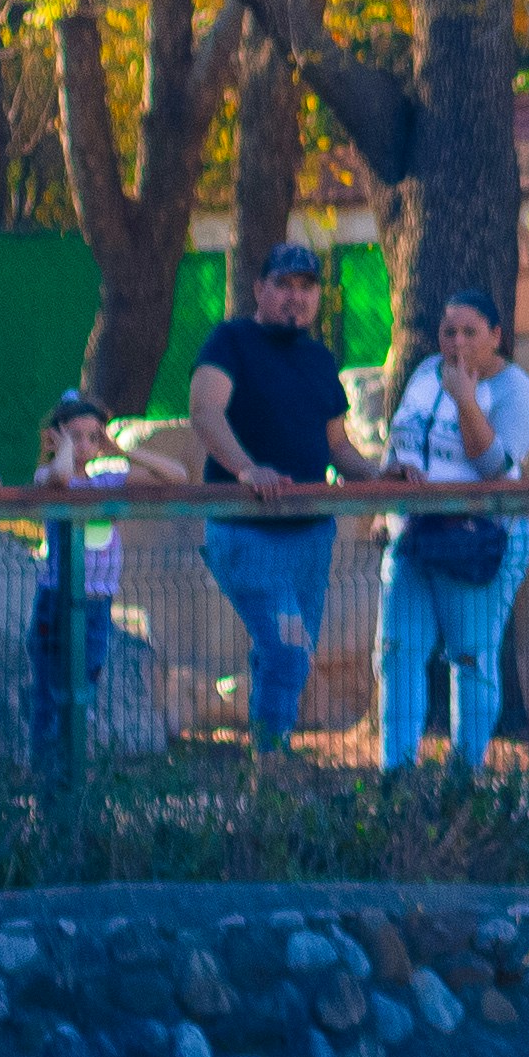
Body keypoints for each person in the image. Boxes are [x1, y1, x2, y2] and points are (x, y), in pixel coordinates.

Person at [188, 240, 354, 748]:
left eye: (307, 286)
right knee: (286, 646)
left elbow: (338, 446)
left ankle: (267, 768)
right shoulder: (230, 341)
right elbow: (205, 411)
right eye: (283, 284)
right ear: (259, 288)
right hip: (245, 528)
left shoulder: (321, 359)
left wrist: (381, 472)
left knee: (290, 651)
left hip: (310, 533)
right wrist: (246, 470)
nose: (295, 297)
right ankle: (272, 756)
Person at [373, 286, 529, 777]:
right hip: (416, 535)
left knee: (471, 657)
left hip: (478, 541)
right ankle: (396, 774)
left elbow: (494, 466)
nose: (458, 343)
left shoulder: (514, 390)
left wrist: (466, 401)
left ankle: (465, 776)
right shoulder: (425, 373)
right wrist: (393, 475)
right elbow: (400, 440)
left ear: (496, 336)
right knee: (397, 651)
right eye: (449, 332)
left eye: (470, 332)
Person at [29, 388, 134, 759]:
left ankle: (70, 767)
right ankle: (47, 776)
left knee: (84, 685)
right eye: (76, 436)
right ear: (55, 437)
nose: (86, 445)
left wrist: (121, 451)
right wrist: (63, 449)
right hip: (57, 603)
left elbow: (176, 474)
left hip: (97, 604)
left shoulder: (107, 481)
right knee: (52, 691)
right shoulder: (47, 476)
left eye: (93, 437)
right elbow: (59, 476)